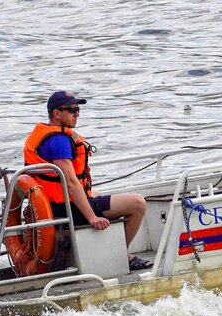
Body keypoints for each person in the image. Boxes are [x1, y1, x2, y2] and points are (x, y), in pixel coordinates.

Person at [23, 91, 152, 271]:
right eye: (71, 110)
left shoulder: (46, 134)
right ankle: (122, 255)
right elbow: (70, 182)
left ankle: (111, 248)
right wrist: (92, 217)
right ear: (56, 114)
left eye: (78, 109)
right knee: (138, 203)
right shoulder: (58, 141)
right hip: (66, 208)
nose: (76, 113)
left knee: (97, 194)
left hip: (54, 204)